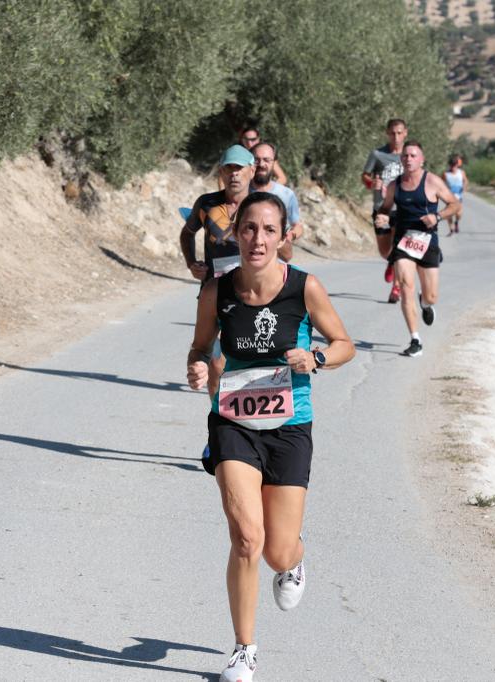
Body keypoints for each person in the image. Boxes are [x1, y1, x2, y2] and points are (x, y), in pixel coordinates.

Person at [186, 192, 355, 682]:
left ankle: (294, 562)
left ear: (284, 237)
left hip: (289, 425)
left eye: (268, 230)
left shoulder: (304, 287)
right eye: (249, 228)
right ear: (235, 231)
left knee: (277, 550)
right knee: (246, 538)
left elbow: (346, 345)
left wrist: (317, 358)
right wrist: (197, 368)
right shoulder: (217, 290)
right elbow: (200, 346)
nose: (257, 239)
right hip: (234, 420)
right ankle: (244, 649)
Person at [181, 144, 257, 394]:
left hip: (252, 293)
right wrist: (192, 263)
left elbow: (284, 250)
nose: (233, 174)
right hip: (215, 292)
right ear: (221, 173)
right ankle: (219, 421)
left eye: (239, 168)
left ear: (252, 171)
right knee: (215, 361)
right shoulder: (207, 204)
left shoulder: (261, 205)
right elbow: (187, 233)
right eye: (228, 169)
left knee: (245, 359)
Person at [375, 141, 460, 357]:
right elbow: (384, 208)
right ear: (401, 159)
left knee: (431, 296)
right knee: (405, 286)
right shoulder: (395, 185)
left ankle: (425, 303)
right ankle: (415, 339)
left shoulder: (432, 181)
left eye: (413, 156)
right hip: (404, 242)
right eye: (405, 156)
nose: (409, 159)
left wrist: (437, 216)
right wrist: (383, 216)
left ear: (421, 159)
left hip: (427, 241)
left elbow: (455, 205)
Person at [362, 118, 407, 303]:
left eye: (399, 133)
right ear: (387, 134)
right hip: (381, 208)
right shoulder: (377, 154)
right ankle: (390, 261)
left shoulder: (410, 155)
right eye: (392, 133)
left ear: (405, 133)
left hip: (403, 209)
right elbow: (364, 176)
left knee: (399, 248)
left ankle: (396, 289)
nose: (396, 137)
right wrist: (372, 183)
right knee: (384, 250)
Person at [250, 141, 304, 262]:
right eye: (256, 160)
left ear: (274, 163)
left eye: (267, 160)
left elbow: (297, 226)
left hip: (276, 265)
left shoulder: (286, 194)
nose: (261, 164)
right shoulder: (240, 192)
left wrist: (290, 236)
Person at [441, 154, 468, 235]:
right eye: (452, 165)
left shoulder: (461, 173)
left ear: (457, 165)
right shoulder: (445, 174)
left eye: (455, 165)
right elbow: (440, 183)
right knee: (448, 213)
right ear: (450, 165)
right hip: (449, 197)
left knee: (459, 214)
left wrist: (464, 187)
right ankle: (451, 229)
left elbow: (465, 181)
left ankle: (456, 222)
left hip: (458, 196)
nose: (453, 167)